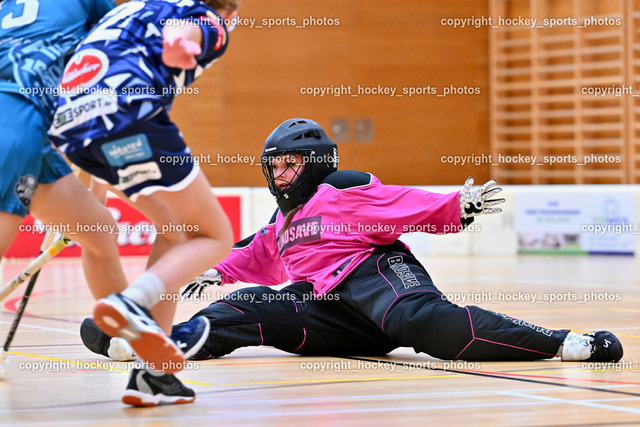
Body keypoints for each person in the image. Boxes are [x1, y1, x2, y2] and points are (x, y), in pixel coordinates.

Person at [81, 118, 623, 368]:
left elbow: (403, 202)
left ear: (315, 163)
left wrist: (457, 206)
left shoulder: (343, 190)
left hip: (374, 277)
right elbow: (253, 254)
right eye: (273, 166)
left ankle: (566, 343)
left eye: (288, 164)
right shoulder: (281, 222)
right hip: (327, 310)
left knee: (425, 324)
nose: (278, 175)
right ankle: (151, 343)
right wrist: (212, 270)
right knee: (244, 307)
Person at [46, 0, 239, 406]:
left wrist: (96, 188)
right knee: (214, 235)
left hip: (70, 127)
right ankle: (131, 301)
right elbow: (185, 32)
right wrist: (182, 43)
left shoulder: (130, 9)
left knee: (175, 231)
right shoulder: (209, 19)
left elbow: (94, 73)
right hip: (130, 116)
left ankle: (154, 375)